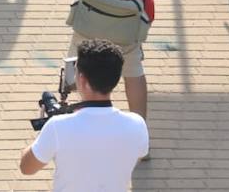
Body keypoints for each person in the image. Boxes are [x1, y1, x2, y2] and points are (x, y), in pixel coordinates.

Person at [19, 40, 150, 187]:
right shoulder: (137, 124)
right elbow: (138, 155)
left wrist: (43, 131)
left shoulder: (57, 126)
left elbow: (26, 168)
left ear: (82, 79)